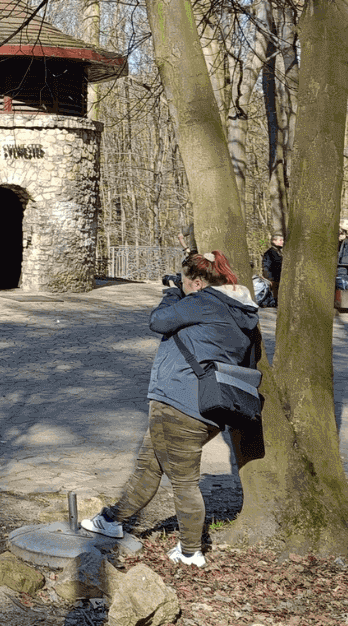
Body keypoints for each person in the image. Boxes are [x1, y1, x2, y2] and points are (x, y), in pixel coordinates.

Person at [82, 250, 259, 568]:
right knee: (148, 467)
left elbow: (158, 321)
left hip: (177, 404)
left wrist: (171, 293)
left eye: (186, 280)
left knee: (184, 481)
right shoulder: (242, 311)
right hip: (211, 408)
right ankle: (111, 519)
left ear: (198, 282)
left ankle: (191, 552)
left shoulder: (202, 300)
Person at [261, 234, 283, 305]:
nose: (282, 242)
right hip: (273, 279)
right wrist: (269, 279)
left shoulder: (279, 252)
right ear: (274, 241)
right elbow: (266, 266)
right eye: (280, 240)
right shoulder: (269, 253)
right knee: (272, 299)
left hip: (278, 278)